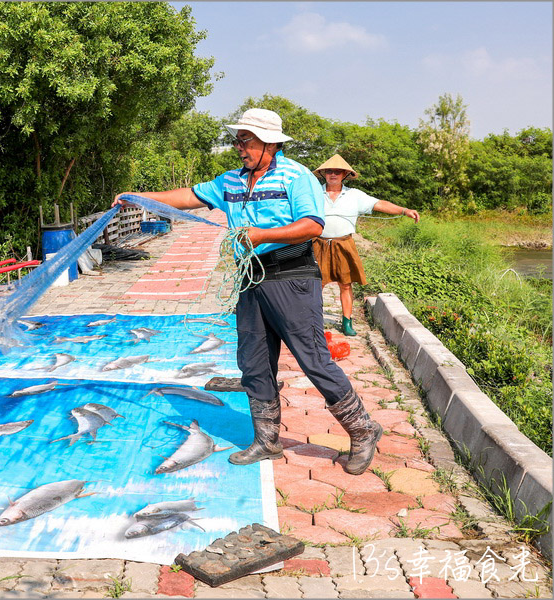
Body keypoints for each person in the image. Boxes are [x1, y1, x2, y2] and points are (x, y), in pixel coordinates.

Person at [113, 108, 382, 475]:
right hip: (251, 279)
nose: (240, 147)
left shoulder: (296, 176)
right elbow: (188, 196)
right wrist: (140, 198)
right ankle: (267, 440)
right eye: (238, 140)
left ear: (270, 143)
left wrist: (262, 235)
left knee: (313, 359)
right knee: (254, 361)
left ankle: (363, 429)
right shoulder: (231, 181)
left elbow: (312, 225)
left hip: (292, 276)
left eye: (247, 140)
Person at [312, 155, 420, 336]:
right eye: (329, 171)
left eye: (337, 171)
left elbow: (379, 204)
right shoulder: (313, 192)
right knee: (316, 284)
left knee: (345, 285)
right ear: (323, 174)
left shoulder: (354, 195)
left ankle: (347, 322)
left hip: (343, 244)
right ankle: (313, 321)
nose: (333, 174)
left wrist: (404, 210)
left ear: (345, 174)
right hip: (318, 244)